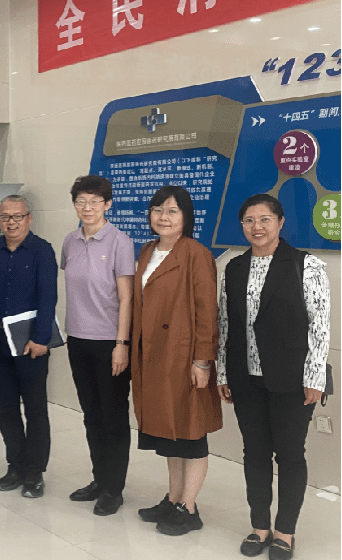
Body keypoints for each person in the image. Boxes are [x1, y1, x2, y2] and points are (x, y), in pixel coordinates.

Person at [217, 194, 329, 560]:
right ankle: (259, 526)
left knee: (290, 454)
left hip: (291, 379)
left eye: (265, 219)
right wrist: (222, 370)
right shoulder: (234, 267)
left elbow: (320, 326)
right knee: (255, 453)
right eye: (249, 220)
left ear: (280, 222)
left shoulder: (305, 265)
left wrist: (314, 377)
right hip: (245, 378)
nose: (257, 227)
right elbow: (225, 323)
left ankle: (285, 531)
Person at [131, 184, 222, 536]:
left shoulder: (196, 254)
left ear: (186, 217)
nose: (163, 217)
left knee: (191, 432)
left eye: (172, 210)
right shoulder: (146, 251)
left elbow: (207, 312)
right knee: (170, 431)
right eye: (158, 209)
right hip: (153, 356)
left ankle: (189, 506)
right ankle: (173, 498)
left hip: (182, 357)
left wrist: (202, 361)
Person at [60, 175, 135, 516]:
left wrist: (122, 343)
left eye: (94, 201)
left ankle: (114, 489)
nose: (87, 208)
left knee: (113, 417)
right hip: (77, 339)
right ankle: (99, 479)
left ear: (107, 204)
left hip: (109, 342)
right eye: (81, 201)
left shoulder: (120, 242)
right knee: (91, 414)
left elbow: (126, 298)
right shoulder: (70, 241)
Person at [0, 194, 57, 499]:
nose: (11, 222)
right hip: (0, 345)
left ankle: (35, 471)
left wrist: (41, 339)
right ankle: (15, 465)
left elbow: (48, 297)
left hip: (31, 345)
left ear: (29, 218)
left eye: (17, 216)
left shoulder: (42, 250)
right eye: (5, 217)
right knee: (6, 408)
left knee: (35, 409)